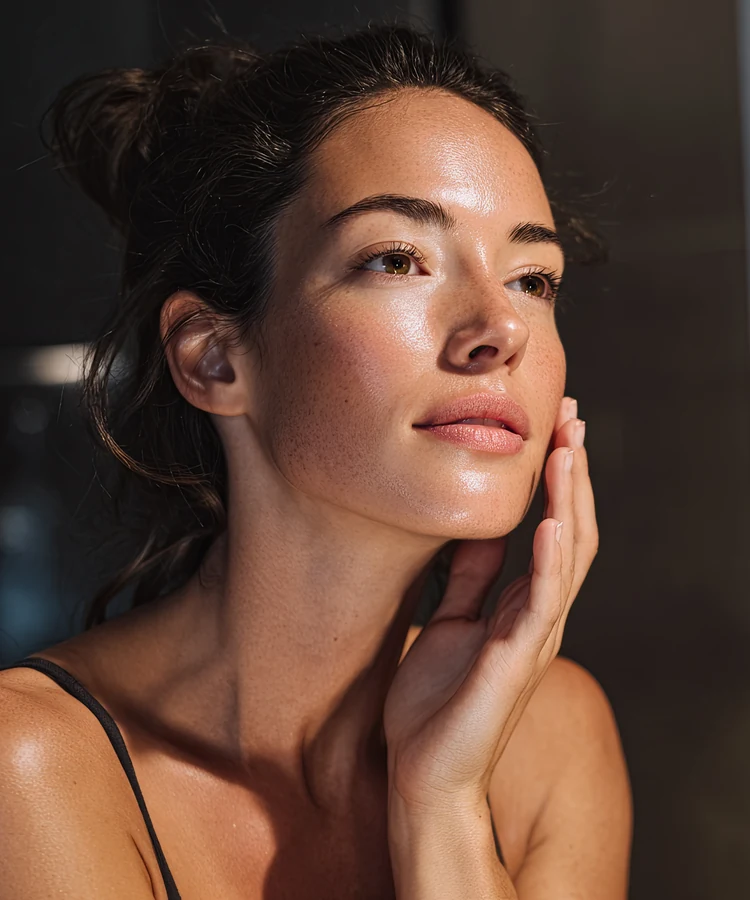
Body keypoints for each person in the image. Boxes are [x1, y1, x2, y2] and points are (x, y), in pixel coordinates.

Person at [0, 24, 632, 899]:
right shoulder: (25, 770)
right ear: (214, 358)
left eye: (534, 277)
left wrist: (441, 803)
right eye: (399, 259)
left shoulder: (553, 739)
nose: (503, 330)